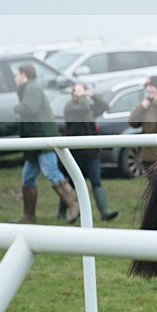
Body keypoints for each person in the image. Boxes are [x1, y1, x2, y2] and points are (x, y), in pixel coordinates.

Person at [0, 64, 79, 223]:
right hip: (34, 142)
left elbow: (30, 109)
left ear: (23, 75)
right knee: (28, 177)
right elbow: (20, 121)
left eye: (17, 75)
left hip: (43, 139)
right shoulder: (27, 91)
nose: (15, 79)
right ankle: (29, 215)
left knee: (51, 172)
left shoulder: (31, 88)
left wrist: (17, 106)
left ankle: (74, 205)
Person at [62, 83, 118, 221]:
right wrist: (83, 97)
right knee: (72, 183)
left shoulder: (88, 106)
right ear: (74, 93)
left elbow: (105, 107)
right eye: (79, 91)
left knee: (96, 182)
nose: (82, 94)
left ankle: (104, 212)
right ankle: (62, 212)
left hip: (92, 152)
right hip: (76, 153)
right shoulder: (70, 107)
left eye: (84, 91)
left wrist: (92, 96)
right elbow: (83, 108)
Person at [128, 75, 157, 174]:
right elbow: (132, 122)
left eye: (151, 86)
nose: (148, 89)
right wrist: (140, 107)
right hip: (148, 156)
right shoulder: (145, 105)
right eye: (147, 86)